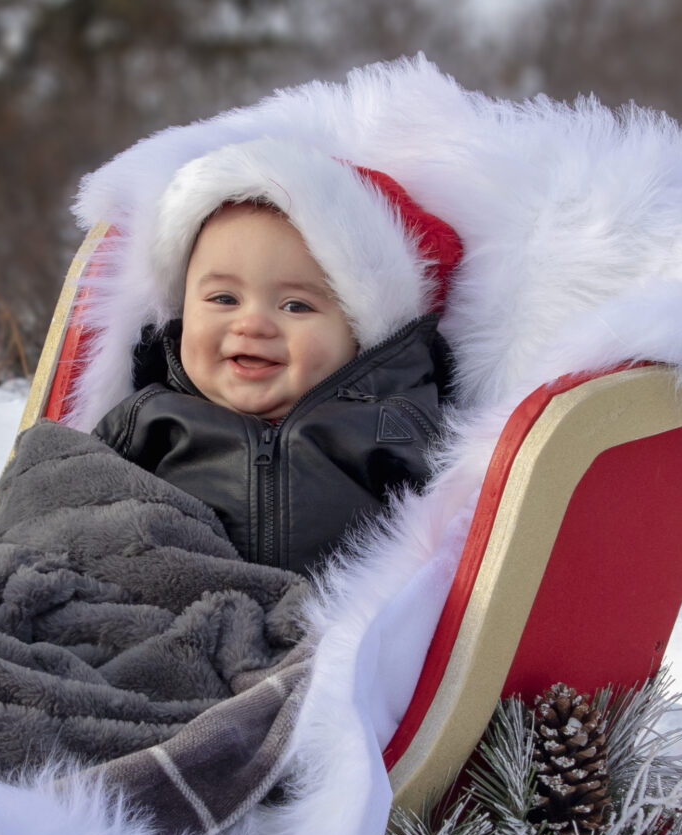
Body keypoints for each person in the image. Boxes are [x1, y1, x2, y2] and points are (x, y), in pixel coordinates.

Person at [91, 140, 462, 574]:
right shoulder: (149, 418)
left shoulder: (395, 429)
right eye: (224, 298)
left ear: (360, 335)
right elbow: (67, 500)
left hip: (330, 612)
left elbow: (461, 543)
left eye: (296, 306)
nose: (252, 324)